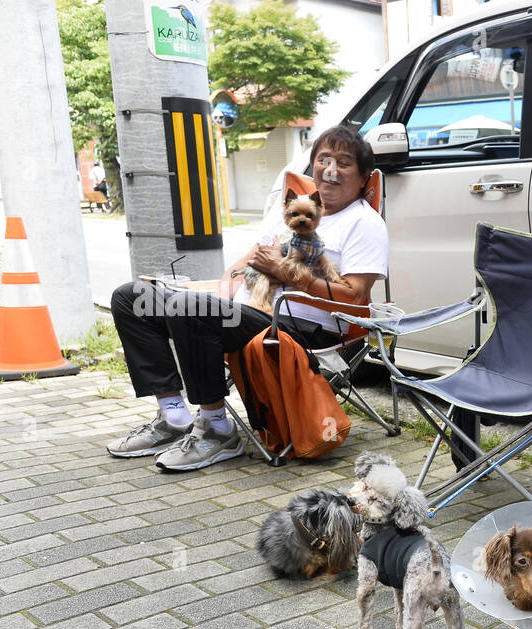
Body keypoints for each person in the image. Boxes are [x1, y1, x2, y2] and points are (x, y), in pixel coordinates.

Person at [106, 125, 387, 471]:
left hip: (301, 329)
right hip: (247, 311)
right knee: (131, 297)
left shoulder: (364, 223)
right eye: (323, 160)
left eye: (343, 163)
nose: (330, 170)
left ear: (363, 178)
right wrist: (225, 286)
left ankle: (216, 429)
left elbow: (354, 299)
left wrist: (289, 275)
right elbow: (247, 261)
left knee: (189, 309)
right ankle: (174, 415)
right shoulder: (294, 208)